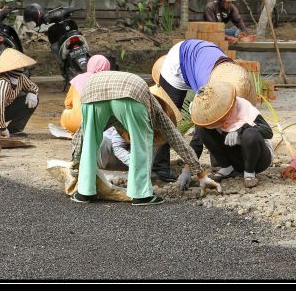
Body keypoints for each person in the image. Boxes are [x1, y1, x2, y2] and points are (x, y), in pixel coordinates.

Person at [70, 71, 222, 205]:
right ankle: (141, 195)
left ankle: (84, 192)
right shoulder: (157, 110)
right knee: (142, 142)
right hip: (131, 92)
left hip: (92, 90)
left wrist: (74, 162)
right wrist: (201, 174)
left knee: (89, 139)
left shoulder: (118, 113)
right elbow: (177, 140)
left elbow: (80, 135)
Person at [151, 39, 257, 181]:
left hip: (201, 56)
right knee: (167, 117)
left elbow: (238, 117)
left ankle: (221, 163)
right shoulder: (209, 88)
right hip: (178, 61)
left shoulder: (234, 76)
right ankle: (159, 169)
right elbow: (200, 129)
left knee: (223, 117)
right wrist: (189, 168)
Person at [190, 81, 274, 188]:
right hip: (234, 158)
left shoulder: (243, 106)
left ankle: (249, 173)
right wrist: (187, 168)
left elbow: (268, 132)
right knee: (202, 128)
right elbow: (197, 140)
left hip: (258, 159)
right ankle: (227, 167)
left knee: (250, 133)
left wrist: (240, 130)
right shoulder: (210, 116)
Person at [0, 48, 39, 138]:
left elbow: (33, 86)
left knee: (34, 99)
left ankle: (15, 129)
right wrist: (2, 128)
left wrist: (32, 93)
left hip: (3, 109)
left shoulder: (21, 78)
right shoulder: (2, 81)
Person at [60, 55, 111, 134]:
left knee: (66, 112)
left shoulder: (78, 79)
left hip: (76, 125)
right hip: (101, 126)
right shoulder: (109, 81)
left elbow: (68, 104)